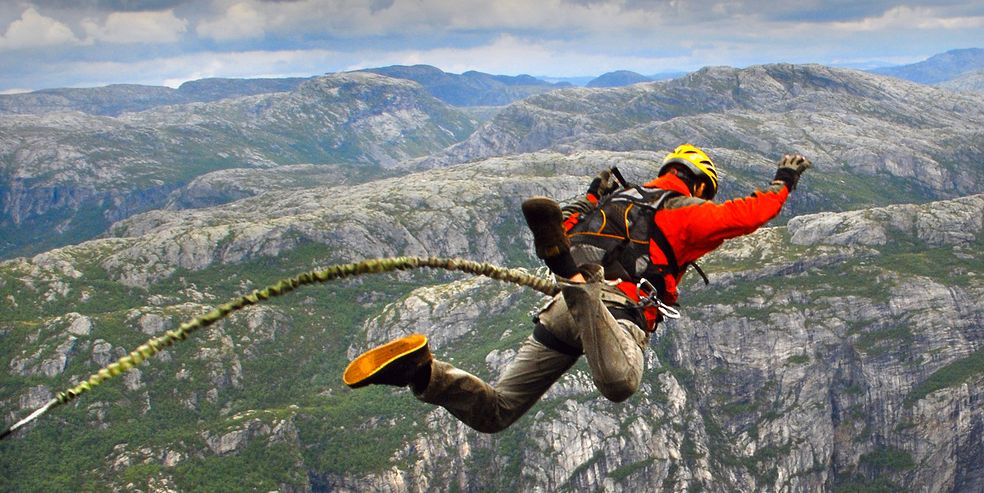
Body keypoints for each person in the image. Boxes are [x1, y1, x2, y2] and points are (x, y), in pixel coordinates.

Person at [342, 144, 813, 432]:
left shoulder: (608, 202)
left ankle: (422, 374)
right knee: (620, 382)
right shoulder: (686, 212)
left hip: (559, 315)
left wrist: (591, 195)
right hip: (611, 311)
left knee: (495, 413)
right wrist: (783, 182)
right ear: (699, 185)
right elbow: (748, 216)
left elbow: (563, 225)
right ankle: (575, 281)